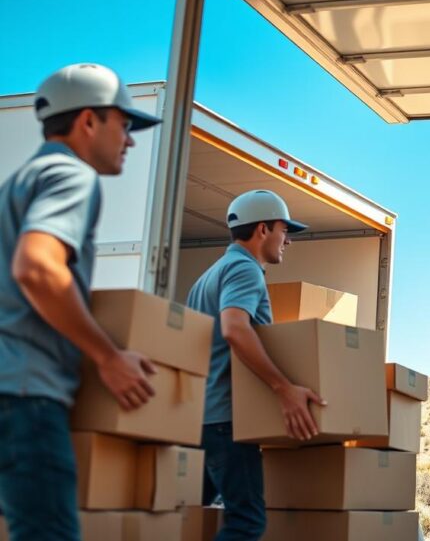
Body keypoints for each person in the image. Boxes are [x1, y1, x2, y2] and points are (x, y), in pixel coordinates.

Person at [0, 63, 161, 541]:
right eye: (125, 125)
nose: (130, 141)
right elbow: (37, 268)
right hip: (26, 399)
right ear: (88, 120)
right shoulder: (71, 175)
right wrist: (108, 357)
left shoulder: (19, 182)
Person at [187, 190, 326, 540]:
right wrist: (284, 389)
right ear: (263, 229)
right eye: (284, 230)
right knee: (247, 522)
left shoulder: (210, 275)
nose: (288, 241)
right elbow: (235, 328)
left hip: (202, 419)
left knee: (189, 516)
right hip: (228, 422)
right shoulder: (245, 269)